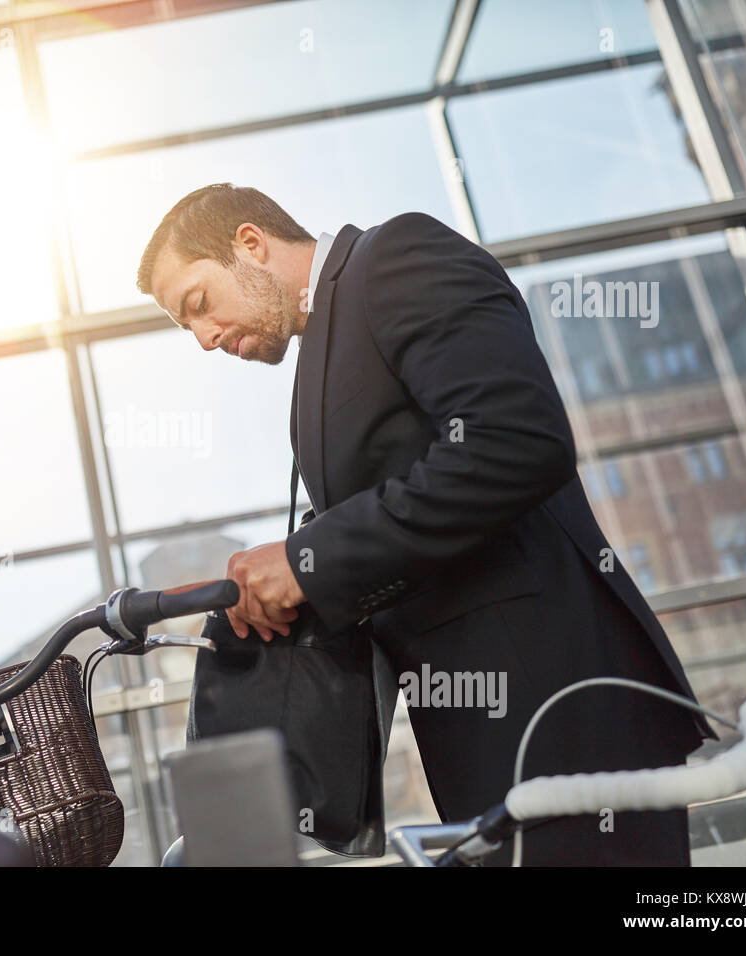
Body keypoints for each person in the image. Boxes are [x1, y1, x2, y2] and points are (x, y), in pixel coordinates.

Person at [135, 183, 716, 865]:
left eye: (199, 305)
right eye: (187, 328)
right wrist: (288, 580)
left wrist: (307, 561)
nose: (204, 339)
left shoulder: (393, 258)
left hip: (562, 714)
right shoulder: (320, 358)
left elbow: (515, 441)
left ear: (251, 244)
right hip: (489, 738)